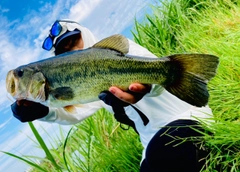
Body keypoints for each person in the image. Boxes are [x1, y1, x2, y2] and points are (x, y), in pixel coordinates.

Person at [11, 19, 212, 172]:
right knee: (154, 161)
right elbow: (75, 112)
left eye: (75, 40)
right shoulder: (86, 87)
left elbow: (152, 72)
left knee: (170, 149)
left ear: (85, 33)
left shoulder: (125, 51)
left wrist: (148, 87)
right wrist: (42, 112)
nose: (74, 49)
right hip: (151, 143)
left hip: (185, 120)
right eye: (66, 49)